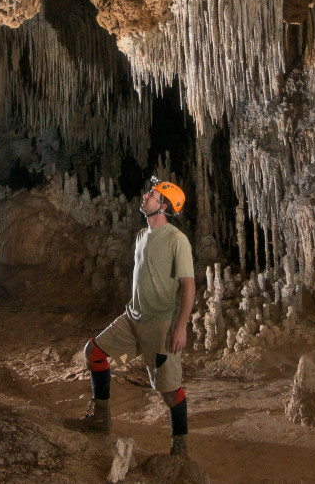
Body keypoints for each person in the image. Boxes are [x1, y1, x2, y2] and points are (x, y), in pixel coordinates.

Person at [69, 176, 196, 457]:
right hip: (132, 319)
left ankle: (180, 447)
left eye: (151, 195)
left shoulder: (177, 240)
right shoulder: (141, 235)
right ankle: (102, 419)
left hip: (159, 325)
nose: (145, 197)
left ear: (163, 205)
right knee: (94, 352)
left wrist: (181, 326)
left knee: (169, 390)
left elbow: (189, 285)